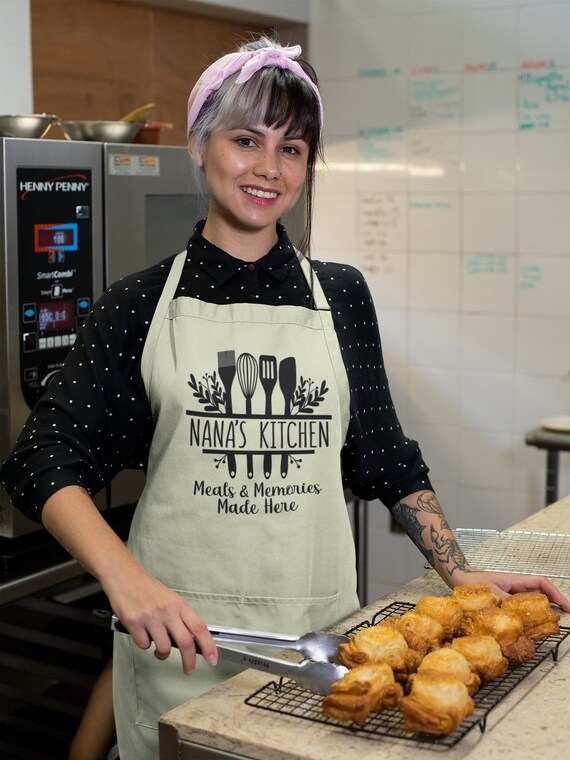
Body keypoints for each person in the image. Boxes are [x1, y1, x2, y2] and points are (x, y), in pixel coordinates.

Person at [1, 35, 568, 760]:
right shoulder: (138, 306)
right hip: (180, 653)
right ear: (200, 147)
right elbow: (41, 459)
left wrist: (464, 574)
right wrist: (128, 583)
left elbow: (386, 458)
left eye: (294, 148)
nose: (269, 168)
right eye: (246, 140)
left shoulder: (341, 294)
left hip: (321, 649)